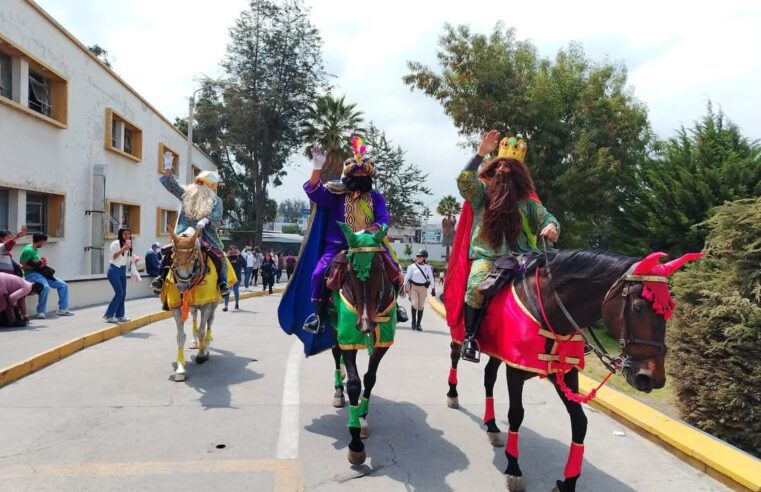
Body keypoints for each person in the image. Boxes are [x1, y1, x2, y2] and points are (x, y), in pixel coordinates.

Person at [457, 131, 559, 362]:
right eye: (500, 164)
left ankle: (564, 335)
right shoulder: (481, 193)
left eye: (509, 166)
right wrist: (480, 153)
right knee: (475, 286)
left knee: (553, 282)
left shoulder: (528, 203)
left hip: (522, 259)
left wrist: (552, 226)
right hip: (488, 258)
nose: (503, 169)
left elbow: (547, 218)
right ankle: (470, 339)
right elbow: (464, 181)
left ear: (518, 173)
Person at [300, 140, 405, 333]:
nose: (360, 175)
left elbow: (383, 221)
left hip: (370, 246)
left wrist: (366, 233)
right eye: (356, 172)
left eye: (364, 173)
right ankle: (318, 315)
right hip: (339, 247)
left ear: (369, 175)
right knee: (317, 274)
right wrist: (317, 167)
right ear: (348, 174)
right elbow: (313, 190)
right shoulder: (336, 194)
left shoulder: (376, 197)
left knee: (395, 272)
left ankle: (395, 307)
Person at [152, 152, 228, 296]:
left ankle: (222, 283)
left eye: (202, 183)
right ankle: (161, 278)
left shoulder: (216, 201)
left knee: (220, 256)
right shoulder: (187, 194)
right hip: (184, 232)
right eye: (197, 182)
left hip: (206, 235)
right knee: (169, 250)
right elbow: (172, 186)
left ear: (209, 187)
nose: (198, 185)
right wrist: (168, 169)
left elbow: (217, 216)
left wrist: (207, 220)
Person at [19, 232, 75, 319]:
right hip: (32, 275)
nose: (44, 244)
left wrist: (41, 263)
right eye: (44, 242)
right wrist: (39, 265)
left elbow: (34, 263)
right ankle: (40, 312)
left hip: (41, 274)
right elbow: (23, 265)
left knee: (63, 285)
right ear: (41, 241)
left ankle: (63, 309)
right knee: (45, 287)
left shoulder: (35, 249)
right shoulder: (28, 250)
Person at [103, 227, 133, 323]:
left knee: (123, 293)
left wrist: (134, 260)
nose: (127, 236)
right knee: (119, 293)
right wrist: (123, 249)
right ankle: (108, 315)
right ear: (121, 234)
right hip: (114, 270)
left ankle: (120, 315)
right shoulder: (115, 244)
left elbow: (125, 259)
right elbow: (114, 257)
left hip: (122, 270)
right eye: (125, 234)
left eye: (128, 234)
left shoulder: (128, 244)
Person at [404, 249, 436, 331]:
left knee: (420, 306)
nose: (418, 258)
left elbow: (431, 278)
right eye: (417, 256)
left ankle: (419, 324)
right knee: (414, 304)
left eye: (420, 256)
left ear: (424, 258)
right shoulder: (412, 266)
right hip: (414, 287)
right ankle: (413, 322)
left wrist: (433, 289)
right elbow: (407, 276)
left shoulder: (427, 267)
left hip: (423, 288)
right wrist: (404, 285)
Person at [224, 245, 243, 311]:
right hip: (230, 278)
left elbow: (245, 263)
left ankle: (237, 303)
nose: (233, 252)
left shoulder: (239, 257)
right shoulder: (228, 258)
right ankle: (226, 306)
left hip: (237, 278)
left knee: (236, 290)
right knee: (227, 291)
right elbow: (223, 263)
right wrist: (227, 255)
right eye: (231, 250)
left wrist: (239, 254)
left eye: (234, 250)